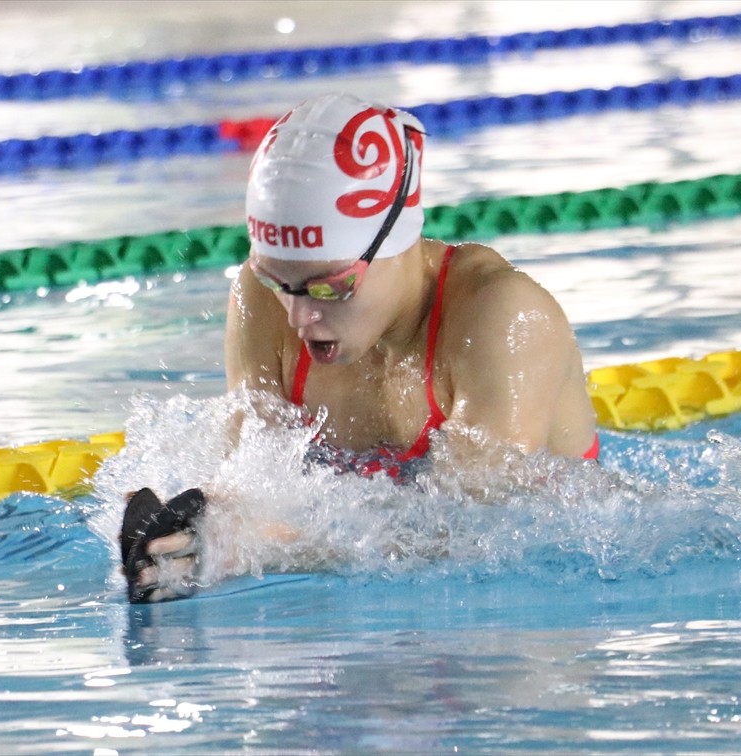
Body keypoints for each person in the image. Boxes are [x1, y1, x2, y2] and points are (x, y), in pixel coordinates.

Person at [120, 92, 597, 602]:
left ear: (396, 241)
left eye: (330, 287)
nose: (299, 316)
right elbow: (250, 480)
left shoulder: (502, 317)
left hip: (535, 602)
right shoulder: (260, 297)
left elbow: (475, 537)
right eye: (279, 281)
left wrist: (260, 548)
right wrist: (181, 534)